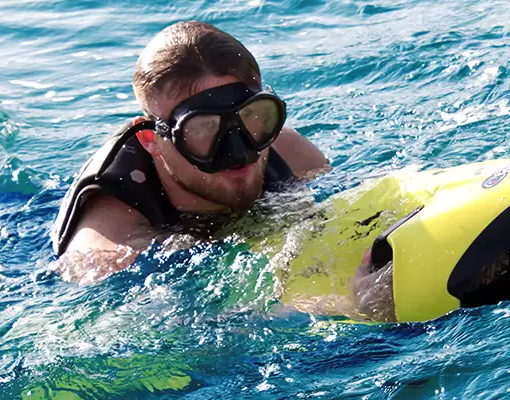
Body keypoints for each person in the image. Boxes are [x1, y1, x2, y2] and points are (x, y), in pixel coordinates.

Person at [51, 21, 330, 283]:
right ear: (150, 138)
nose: (238, 151)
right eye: (202, 130)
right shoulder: (111, 247)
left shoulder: (290, 153)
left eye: (250, 118)